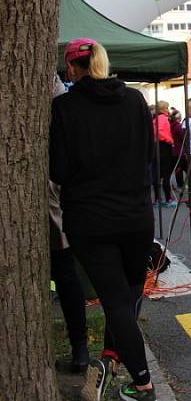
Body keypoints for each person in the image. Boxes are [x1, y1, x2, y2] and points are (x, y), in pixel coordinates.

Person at [50, 38, 157, 400]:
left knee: (115, 301)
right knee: (128, 296)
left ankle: (142, 383)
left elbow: (59, 169)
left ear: (71, 69)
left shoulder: (64, 107)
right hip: (136, 215)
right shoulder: (135, 99)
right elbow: (150, 156)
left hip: (90, 219)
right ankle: (112, 359)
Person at [49, 75, 88, 374]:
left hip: (52, 183)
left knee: (64, 270)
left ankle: (80, 347)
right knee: (65, 272)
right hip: (54, 183)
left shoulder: (56, 90)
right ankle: (79, 347)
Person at [153, 101, 176, 207]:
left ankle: (157, 199)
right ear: (163, 109)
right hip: (164, 146)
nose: (168, 110)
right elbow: (159, 131)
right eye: (166, 108)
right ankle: (168, 198)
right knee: (166, 173)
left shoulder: (154, 119)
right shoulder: (163, 118)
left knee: (157, 174)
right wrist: (170, 140)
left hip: (155, 147)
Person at [169, 110, 185, 189]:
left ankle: (179, 184)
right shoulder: (179, 126)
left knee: (177, 168)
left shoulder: (170, 125)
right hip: (180, 150)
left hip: (173, 150)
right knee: (184, 167)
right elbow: (183, 138)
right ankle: (181, 184)